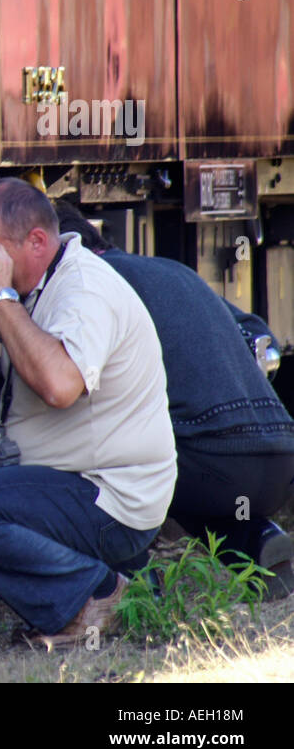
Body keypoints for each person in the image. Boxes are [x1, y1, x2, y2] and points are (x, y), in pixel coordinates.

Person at [0, 177, 177, 646]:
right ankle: (120, 581)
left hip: (111, 495)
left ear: (36, 241)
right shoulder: (24, 283)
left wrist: (0, 297)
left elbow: (59, 387)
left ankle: (92, 595)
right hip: (54, 473)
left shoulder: (83, 291)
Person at [54, 199, 294, 596]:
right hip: (279, 455)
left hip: (210, 458)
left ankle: (129, 580)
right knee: (172, 441)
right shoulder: (170, 268)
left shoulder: (89, 283)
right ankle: (256, 542)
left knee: (96, 441)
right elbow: (256, 332)